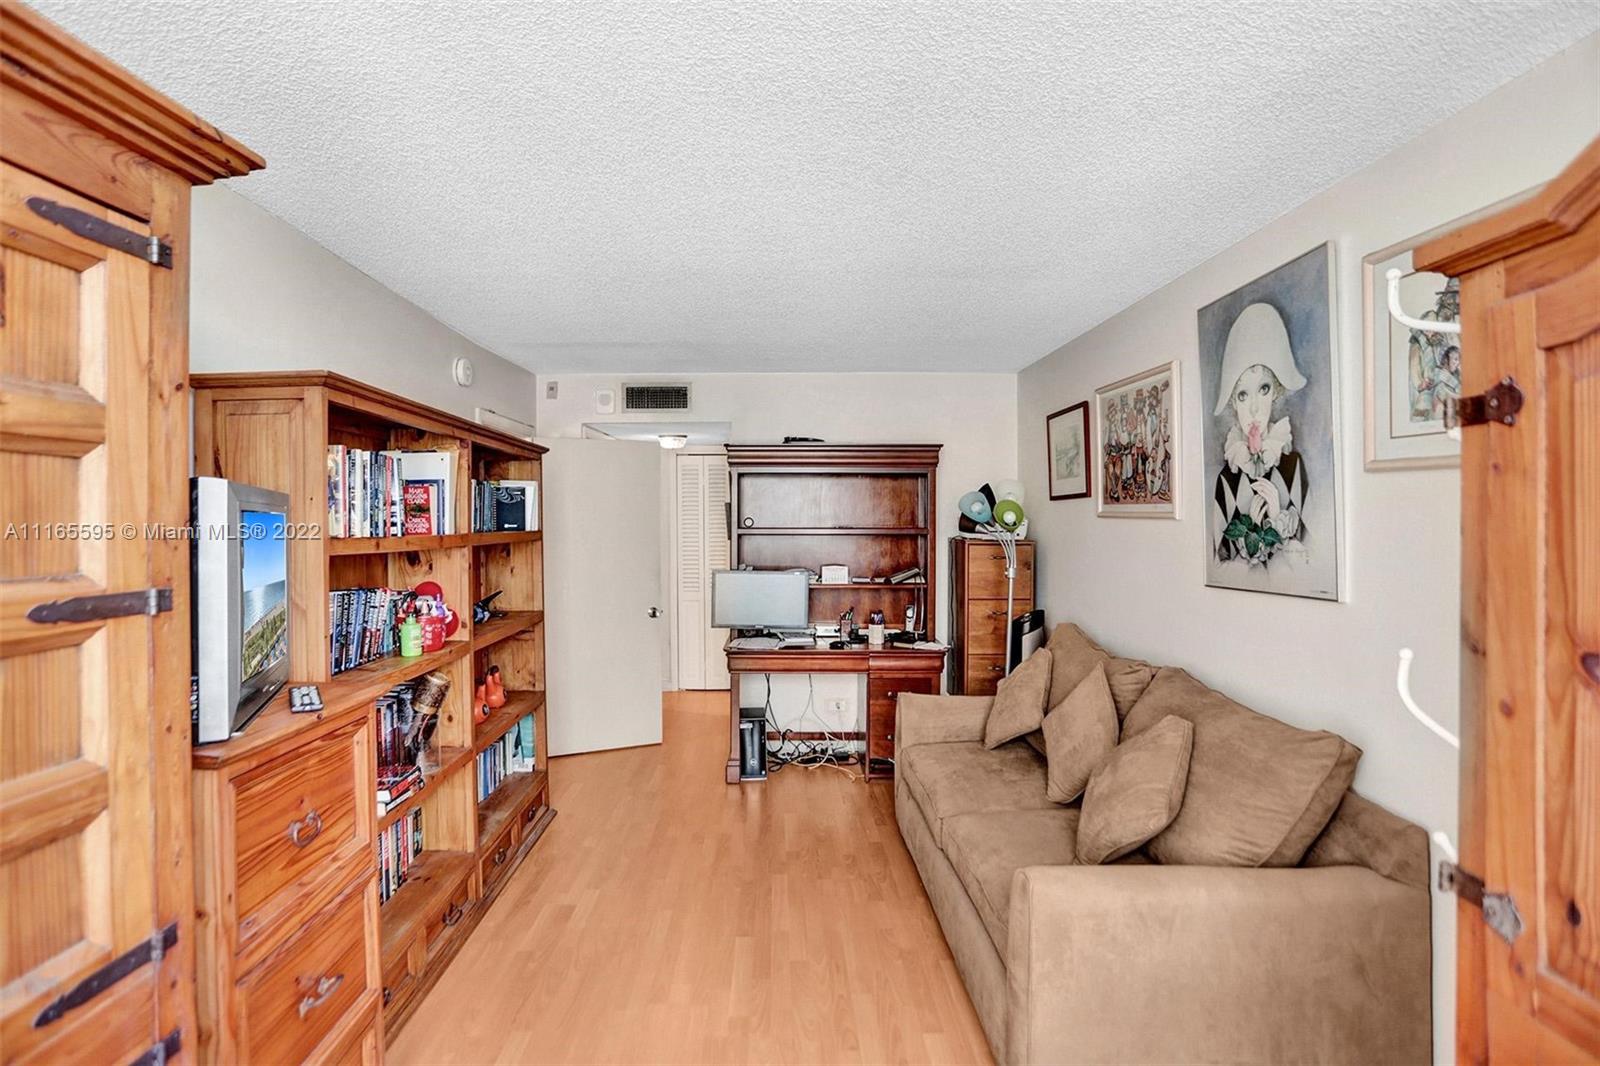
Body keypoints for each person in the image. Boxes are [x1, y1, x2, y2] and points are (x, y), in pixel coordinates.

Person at [1210, 302, 1308, 567]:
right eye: (1243, 395)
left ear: (1275, 391)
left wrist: (1277, 514)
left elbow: (1308, 564)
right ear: (1233, 403)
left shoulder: (1292, 466)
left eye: (1262, 389)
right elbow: (1219, 562)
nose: (1253, 407)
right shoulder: (1226, 480)